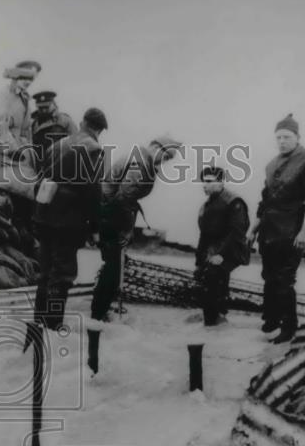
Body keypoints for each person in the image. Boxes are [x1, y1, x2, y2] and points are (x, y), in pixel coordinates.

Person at [246, 113, 305, 343]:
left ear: (297, 137)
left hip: (292, 231)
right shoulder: (272, 164)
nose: (282, 141)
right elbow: (264, 201)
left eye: (287, 137)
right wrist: (253, 230)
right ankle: (271, 318)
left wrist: (304, 231)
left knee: (284, 279)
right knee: (269, 276)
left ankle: (288, 327)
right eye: (278, 137)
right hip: (269, 230)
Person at [89, 134, 183, 322]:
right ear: (156, 148)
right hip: (110, 218)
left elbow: (126, 199)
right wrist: (125, 230)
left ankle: (100, 312)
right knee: (113, 270)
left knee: (112, 268)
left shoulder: (142, 159)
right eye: (166, 157)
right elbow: (123, 199)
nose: (165, 162)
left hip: (110, 216)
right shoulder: (140, 163)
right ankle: (98, 316)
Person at [31, 107, 108, 333]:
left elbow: (39, 180)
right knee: (63, 275)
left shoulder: (56, 145)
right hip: (69, 221)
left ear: (82, 122)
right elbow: (93, 192)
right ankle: (53, 326)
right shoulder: (93, 149)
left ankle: (38, 324)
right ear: (99, 129)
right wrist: (95, 227)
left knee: (45, 272)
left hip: (44, 216)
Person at [194, 165, 250, 326]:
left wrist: (221, 254)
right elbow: (204, 235)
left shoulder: (234, 202)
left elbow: (237, 232)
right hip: (212, 250)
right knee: (205, 281)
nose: (204, 185)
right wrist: (199, 261)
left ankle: (216, 319)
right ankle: (213, 322)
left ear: (221, 182)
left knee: (214, 278)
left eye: (209, 181)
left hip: (231, 249)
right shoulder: (207, 205)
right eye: (203, 182)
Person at [0, 60, 40, 164]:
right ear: (16, 75)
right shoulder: (2, 95)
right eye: (25, 77)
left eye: (32, 79)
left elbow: (25, 130)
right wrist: (12, 151)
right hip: (6, 153)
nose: (28, 82)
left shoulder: (24, 99)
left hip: (22, 152)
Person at [31, 90, 78, 164]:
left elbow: (76, 144)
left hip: (60, 166)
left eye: (46, 107)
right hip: (38, 167)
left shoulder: (65, 121)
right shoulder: (33, 123)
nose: (44, 110)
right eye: (41, 108)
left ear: (53, 104)